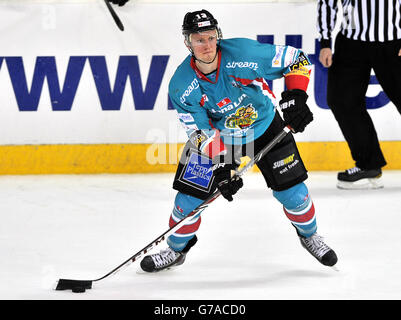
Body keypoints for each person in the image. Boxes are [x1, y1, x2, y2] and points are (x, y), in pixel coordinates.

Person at [140, 9, 338, 273]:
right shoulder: (181, 85)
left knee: (294, 194)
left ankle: (310, 236)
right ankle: (175, 250)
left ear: (218, 36)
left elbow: (296, 59)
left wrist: (296, 96)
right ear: (187, 42)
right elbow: (199, 131)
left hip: (265, 126)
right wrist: (221, 166)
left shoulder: (244, 54)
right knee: (188, 200)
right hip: (221, 139)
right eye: (199, 40)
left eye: (211, 37)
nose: (207, 45)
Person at [317, 0, 401, 190]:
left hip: (395, 42)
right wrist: (325, 42)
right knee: (342, 100)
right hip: (352, 42)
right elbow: (327, 2)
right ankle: (368, 165)